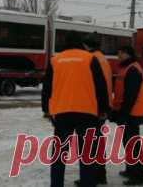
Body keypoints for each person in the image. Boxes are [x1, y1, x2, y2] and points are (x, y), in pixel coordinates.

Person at [42, 33, 109, 187]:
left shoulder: (55, 60)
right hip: (87, 113)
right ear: (80, 43)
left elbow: (47, 88)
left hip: (62, 112)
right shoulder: (90, 58)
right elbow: (101, 86)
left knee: (59, 153)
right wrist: (103, 109)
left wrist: (46, 109)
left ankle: (56, 184)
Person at [72, 34, 113, 186]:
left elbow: (95, 87)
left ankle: (93, 177)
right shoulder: (102, 58)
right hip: (102, 107)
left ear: (86, 46)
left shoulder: (92, 59)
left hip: (94, 108)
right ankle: (100, 175)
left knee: (91, 144)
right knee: (97, 142)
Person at [111, 46, 143, 186]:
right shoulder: (128, 68)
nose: (118, 55)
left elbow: (130, 96)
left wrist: (123, 115)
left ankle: (138, 176)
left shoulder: (132, 69)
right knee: (128, 142)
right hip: (128, 112)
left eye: (120, 53)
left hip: (131, 113)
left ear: (127, 54)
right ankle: (131, 170)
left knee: (133, 144)